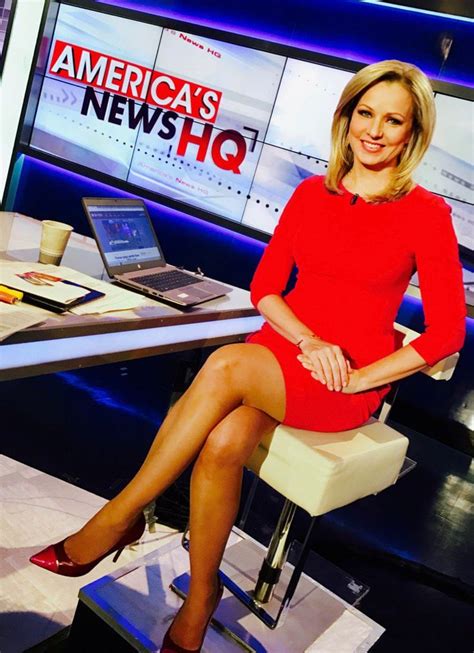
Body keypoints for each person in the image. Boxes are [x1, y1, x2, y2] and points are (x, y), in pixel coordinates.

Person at [30, 59, 466, 653]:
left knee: (225, 365)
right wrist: (308, 338)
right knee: (223, 443)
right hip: (285, 355)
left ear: (413, 133)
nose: (375, 130)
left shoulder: (427, 214)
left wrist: (361, 374)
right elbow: (266, 288)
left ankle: (118, 516)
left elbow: (446, 335)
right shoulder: (314, 193)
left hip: (343, 382)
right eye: (365, 113)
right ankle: (202, 595)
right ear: (346, 115)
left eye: (393, 121)